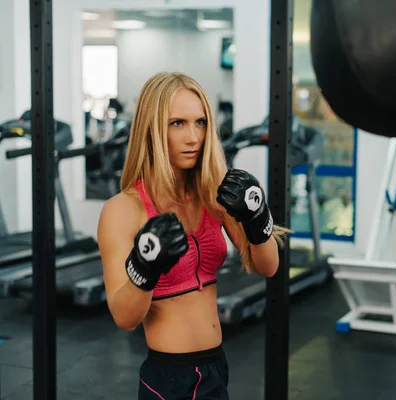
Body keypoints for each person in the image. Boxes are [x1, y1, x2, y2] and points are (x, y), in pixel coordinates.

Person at [97, 71, 289, 399]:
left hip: (215, 367)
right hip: (167, 379)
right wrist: (145, 267)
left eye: (200, 123)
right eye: (178, 123)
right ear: (153, 129)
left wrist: (258, 218)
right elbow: (125, 317)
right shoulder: (124, 210)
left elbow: (268, 266)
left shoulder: (214, 194)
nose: (193, 137)